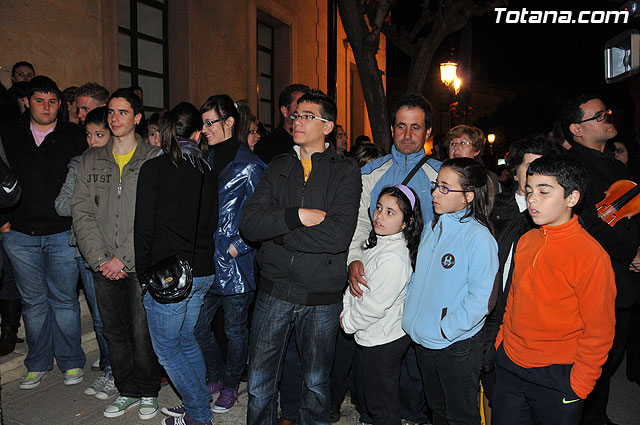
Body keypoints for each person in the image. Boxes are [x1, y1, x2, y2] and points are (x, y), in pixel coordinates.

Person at [240, 89, 361, 425]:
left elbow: (337, 235)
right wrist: (297, 216)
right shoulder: (278, 166)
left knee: (316, 384)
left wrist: (276, 233)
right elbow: (249, 224)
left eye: (307, 116)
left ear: (327, 126)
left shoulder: (345, 171)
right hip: (273, 290)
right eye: (296, 115)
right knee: (261, 385)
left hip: (321, 296)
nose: (297, 121)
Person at [493, 155, 616, 425]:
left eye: (544, 191)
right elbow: (513, 297)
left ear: (572, 198)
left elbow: (600, 329)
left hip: (558, 375)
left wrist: (578, 384)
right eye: (529, 191)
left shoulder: (590, 256)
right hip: (510, 364)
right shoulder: (527, 240)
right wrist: (502, 342)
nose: (532, 199)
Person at [347, 94, 440, 425]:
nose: (407, 134)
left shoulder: (438, 177)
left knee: (416, 357)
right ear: (391, 129)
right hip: (381, 277)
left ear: (427, 131)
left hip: (424, 283)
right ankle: (373, 412)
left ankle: (412, 414)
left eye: (416, 127)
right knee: (376, 357)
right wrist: (354, 259)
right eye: (401, 126)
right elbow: (359, 222)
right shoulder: (373, 173)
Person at [72, 88, 162, 420]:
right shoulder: (91, 158)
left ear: (137, 118)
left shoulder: (153, 158)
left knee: (142, 332)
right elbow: (81, 212)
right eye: (111, 112)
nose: (114, 118)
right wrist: (101, 259)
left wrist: (123, 258)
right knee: (114, 331)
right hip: (101, 263)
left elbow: (155, 216)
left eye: (122, 112)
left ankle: (149, 390)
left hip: (139, 264)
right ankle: (127, 390)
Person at [0, 75, 87, 389]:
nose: (46, 107)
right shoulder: (8, 133)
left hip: (62, 233)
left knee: (64, 301)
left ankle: (71, 361)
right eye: (40, 100)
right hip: (19, 234)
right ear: (27, 102)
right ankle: (37, 363)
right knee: (34, 303)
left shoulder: (75, 136)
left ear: (60, 104)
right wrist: (3, 220)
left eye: (52, 101)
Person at [135, 102, 218, 425]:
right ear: (198, 133)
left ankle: (199, 416)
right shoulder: (206, 169)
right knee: (184, 340)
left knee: (168, 349)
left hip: (168, 277)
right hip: (201, 272)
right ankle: (198, 407)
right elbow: (212, 222)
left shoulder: (154, 169)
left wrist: (144, 275)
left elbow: (143, 227)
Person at [560, 94, 640, 425]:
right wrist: (630, 253)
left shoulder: (615, 164)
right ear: (576, 129)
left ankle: (594, 414)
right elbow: (588, 223)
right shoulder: (576, 168)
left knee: (611, 358)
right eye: (599, 115)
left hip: (625, 278)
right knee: (595, 361)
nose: (608, 116)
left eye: (607, 111)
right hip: (601, 280)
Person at [403, 157, 498, 425]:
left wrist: (447, 328)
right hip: (424, 337)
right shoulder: (434, 226)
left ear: (468, 196)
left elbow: (482, 299)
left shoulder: (479, 238)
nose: (434, 193)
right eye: (436, 185)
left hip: (455, 345)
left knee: (460, 415)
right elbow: (418, 277)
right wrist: (410, 314)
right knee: (437, 408)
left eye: (445, 188)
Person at [481, 134, 564, 424]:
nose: (535, 173)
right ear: (515, 170)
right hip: (494, 314)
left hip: (537, 327)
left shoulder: (558, 213)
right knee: (495, 395)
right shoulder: (492, 208)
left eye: (542, 166)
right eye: (528, 166)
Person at [191, 94, 265, 414]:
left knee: (235, 331)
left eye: (210, 123)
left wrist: (240, 245)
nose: (205, 129)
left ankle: (232, 385)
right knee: (197, 326)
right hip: (205, 261)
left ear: (229, 123)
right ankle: (216, 375)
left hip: (235, 264)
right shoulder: (204, 160)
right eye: (203, 123)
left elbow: (264, 215)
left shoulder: (250, 166)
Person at [341, 185, 423, 425]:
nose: (379, 216)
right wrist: (348, 306)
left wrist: (347, 321)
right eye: (378, 208)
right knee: (367, 395)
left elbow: (374, 305)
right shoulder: (378, 243)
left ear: (406, 223)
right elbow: (356, 287)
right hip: (370, 333)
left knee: (382, 403)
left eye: (390, 212)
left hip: (383, 338)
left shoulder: (394, 257)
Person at [54, 106, 116, 398]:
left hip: (119, 252)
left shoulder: (124, 162)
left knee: (122, 316)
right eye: (89, 134)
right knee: (102, 318)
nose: (92, 141)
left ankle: (121, 371)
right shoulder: (79, 164)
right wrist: (92, 201)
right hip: (85, 252)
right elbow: (62, 204)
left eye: (99, 134)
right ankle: (109, 370)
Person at [253, 83, 309, 164]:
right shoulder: (267, 148)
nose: (306, 111)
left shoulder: (317, 142)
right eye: (300, 105)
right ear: (285, 111)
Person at [444, 124, 500, 196]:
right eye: (453, 143)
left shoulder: (488, 179)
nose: (456, 147)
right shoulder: (441, 174)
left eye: (463, 143)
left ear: (476, 150)